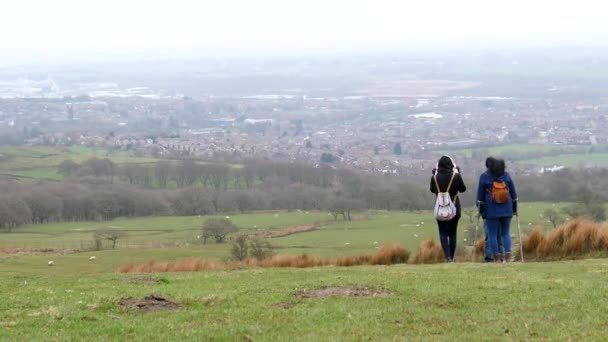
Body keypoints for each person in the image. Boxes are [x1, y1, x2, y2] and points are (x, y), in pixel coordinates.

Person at [477, 157, 518, 262]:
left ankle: (496, 257)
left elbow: (480, 197)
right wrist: (514, 209)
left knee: (492, 234)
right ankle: (508, 255)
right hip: (507, 209)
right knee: (506, 233)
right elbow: (513, 194)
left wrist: (481, 211)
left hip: (491, 210)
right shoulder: (507, 176)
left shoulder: (484, 177)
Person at [430, 155, 466, 262]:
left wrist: (434, 175)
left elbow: (432, 190)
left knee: (443, 232)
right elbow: (463, 189)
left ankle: (447, 257)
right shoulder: (455, 176)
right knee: (452, 232)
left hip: (440, 207)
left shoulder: (434, 178)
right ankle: (452, 256)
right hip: (454, 207)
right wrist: (458, 174)